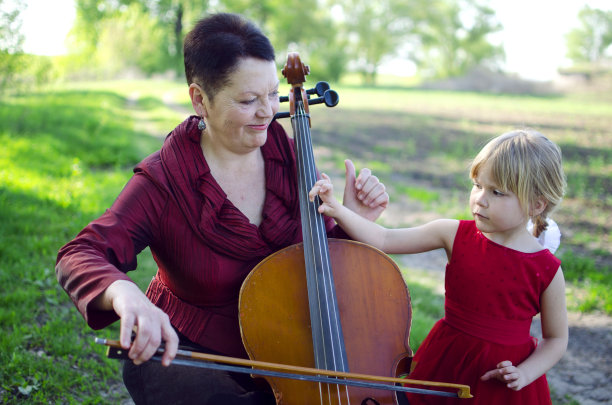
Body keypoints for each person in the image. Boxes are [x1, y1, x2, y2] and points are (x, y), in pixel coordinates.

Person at [55, 12, 389, 405]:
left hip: (294, 349)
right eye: (248, 100)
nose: (268, 112)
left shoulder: (291, 156)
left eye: (271, 94)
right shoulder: (164, 181)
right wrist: (126, 295)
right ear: (200, 99)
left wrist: (352, 221)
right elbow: (80, 253)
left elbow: (316, 261)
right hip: (196, 354)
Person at [309, 129, 568, 404]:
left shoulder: (547, 270)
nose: (480, 198)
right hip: (446, 365)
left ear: (536, 205)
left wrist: (525, 373)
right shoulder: (453, 233)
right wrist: (337, 208)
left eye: (497, 192)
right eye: (477, 185)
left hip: (503, 385)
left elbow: (556, 339)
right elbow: (385, 238)